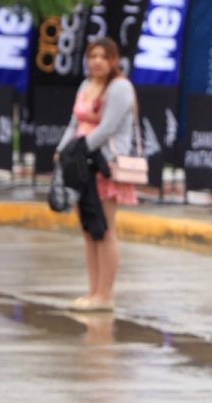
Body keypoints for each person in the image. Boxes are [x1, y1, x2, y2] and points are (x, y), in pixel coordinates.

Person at [55, 37, 139, 312]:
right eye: (93, 56)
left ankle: (106, 295)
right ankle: (92, 292)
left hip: (105, 165)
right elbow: (74, 123)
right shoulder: (86, 85)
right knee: (89, 230)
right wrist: (62, 151)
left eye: (104, 56)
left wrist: (77, 151)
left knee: (105, 230)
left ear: (114, 60)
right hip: (81, 165)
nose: (98, 61)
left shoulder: (120, 88)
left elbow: (107, 128)